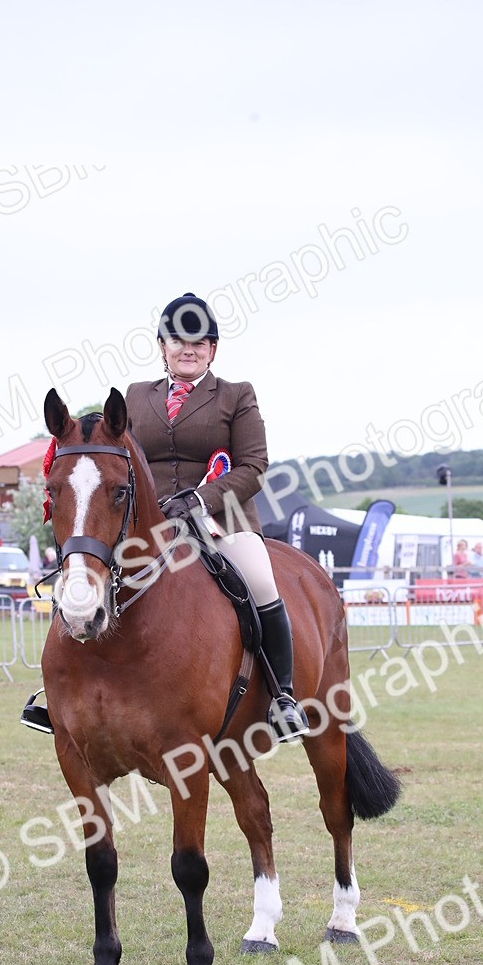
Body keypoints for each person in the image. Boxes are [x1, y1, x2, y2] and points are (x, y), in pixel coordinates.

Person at [124, 292, 309, 742]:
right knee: (91, 578)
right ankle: (66, 691)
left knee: (260, 583)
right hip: (151, 525)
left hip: (221, 522)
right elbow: (121, 459)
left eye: (198, 343)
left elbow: (254, 465)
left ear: (212, 350)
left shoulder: (235, 395)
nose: (188, 350)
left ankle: (283, 697)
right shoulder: (136, 396)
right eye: (178, 341)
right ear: (162, 346)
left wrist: (200, 499)